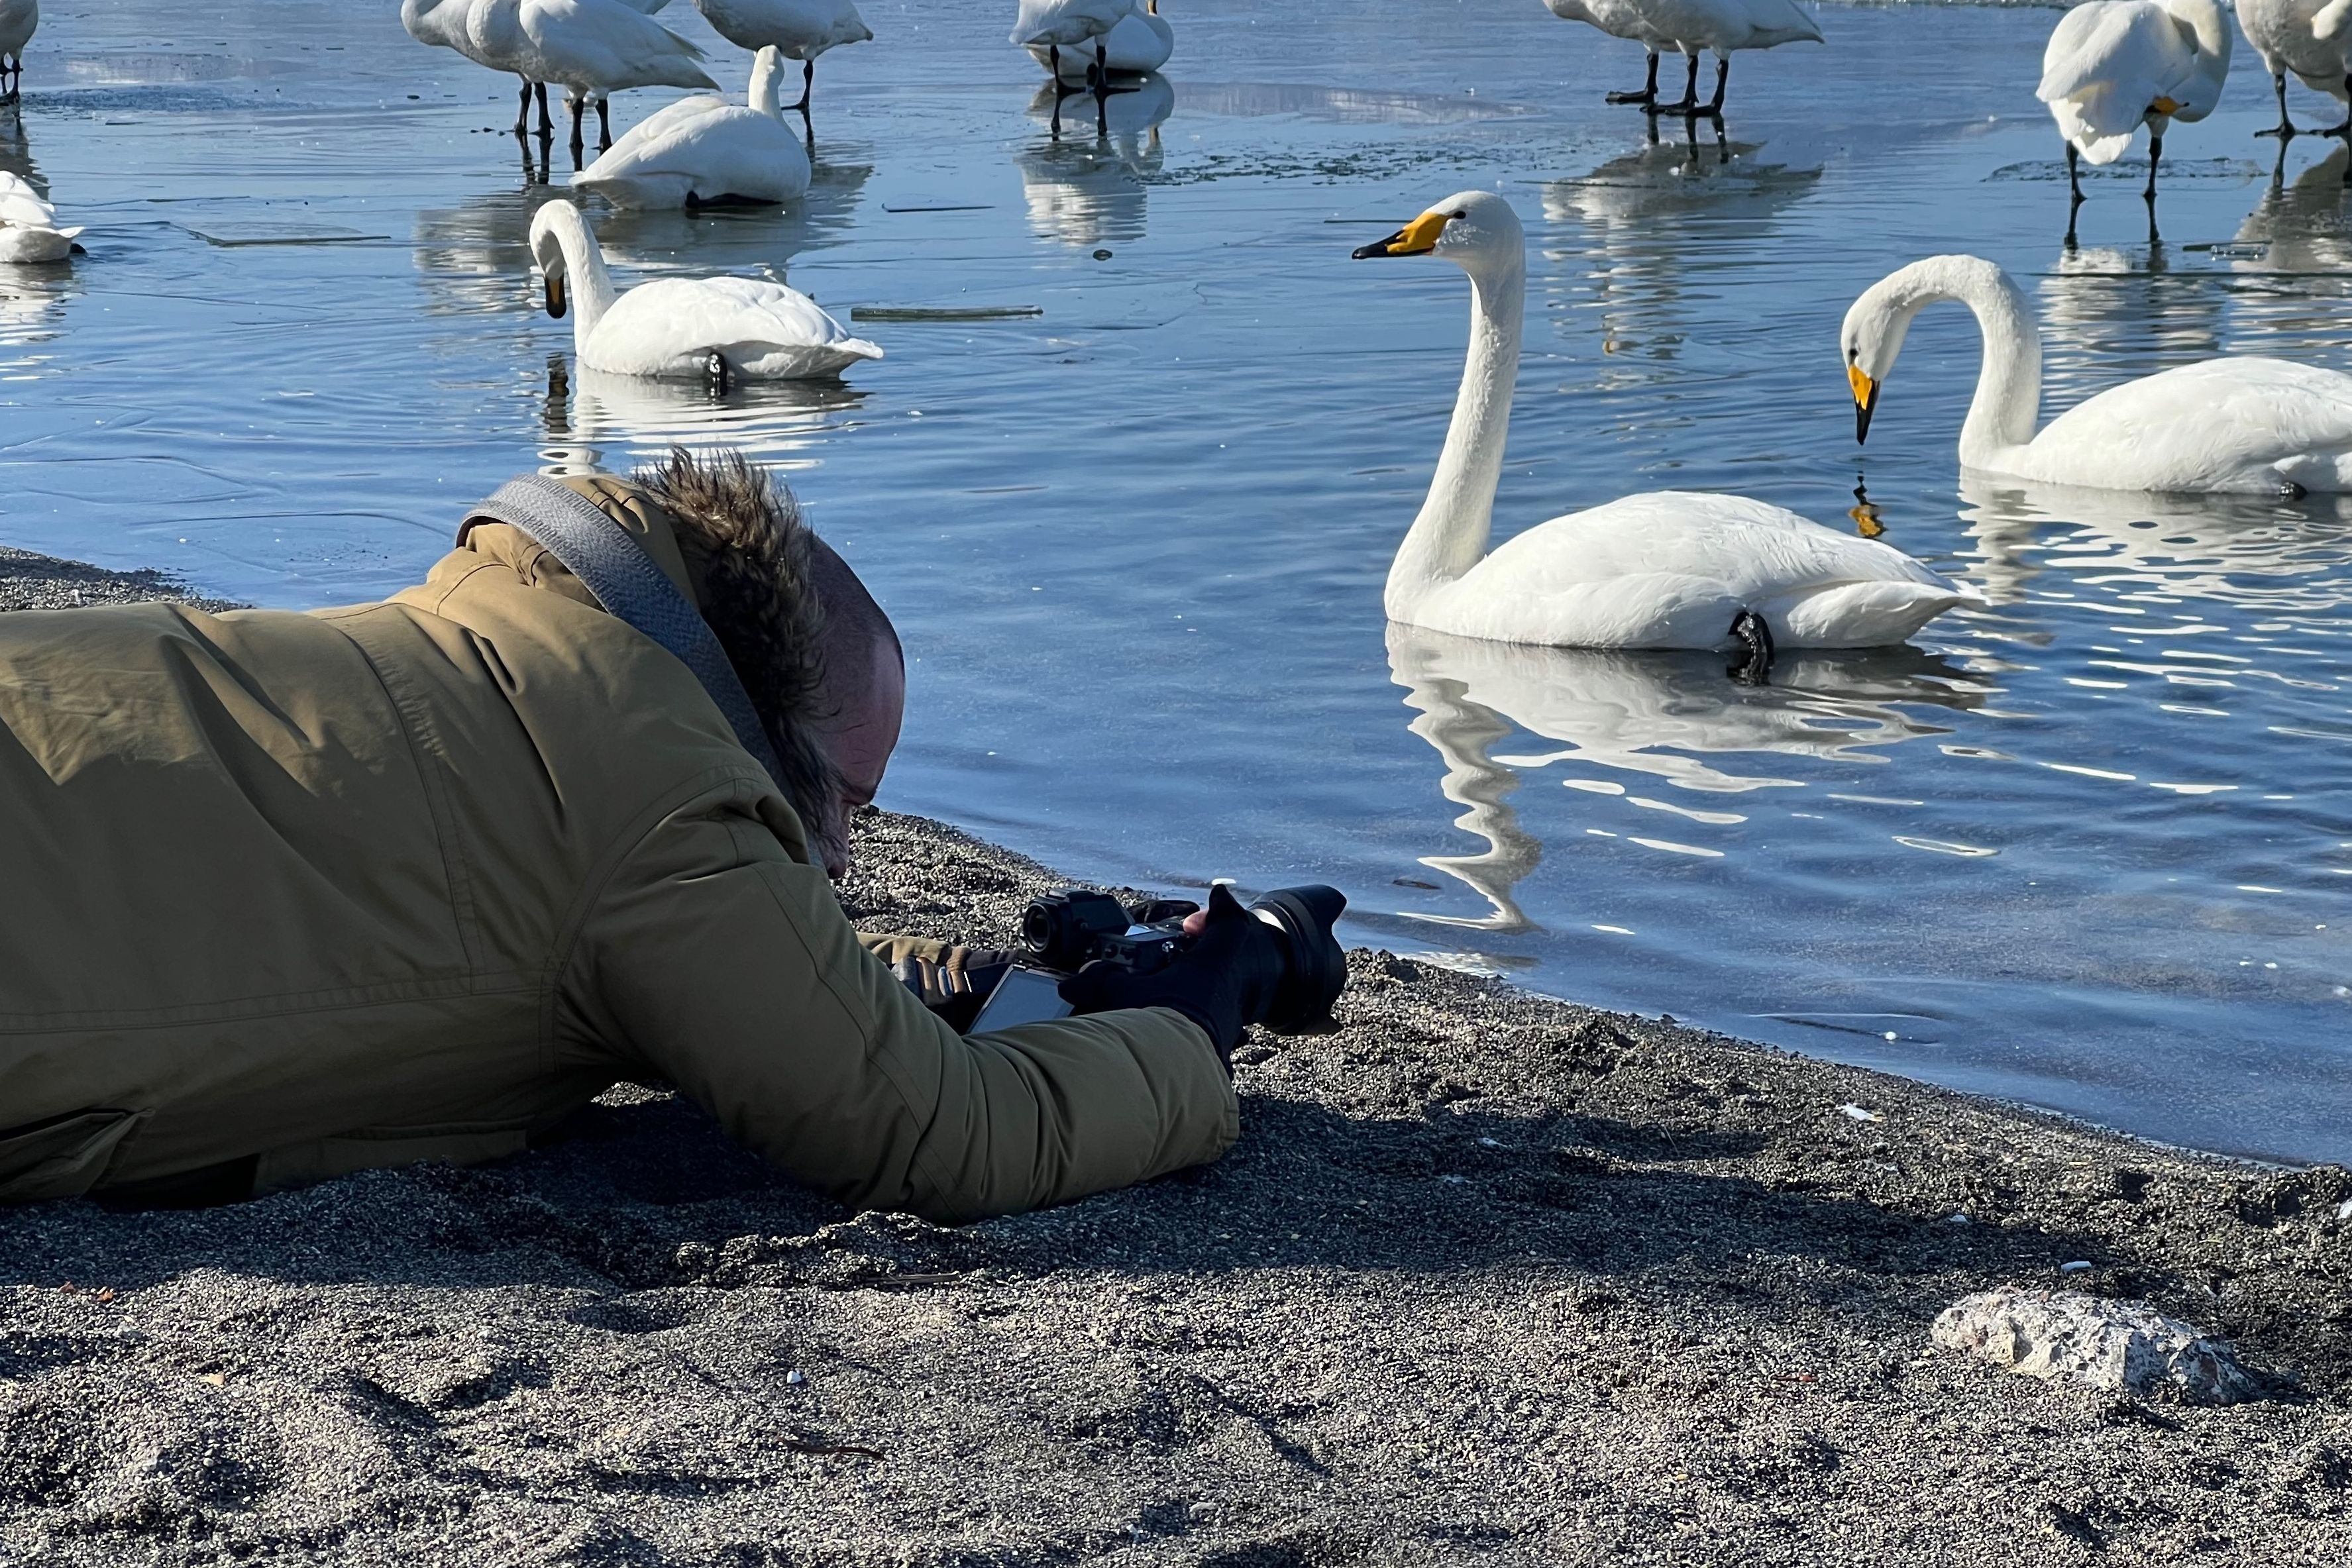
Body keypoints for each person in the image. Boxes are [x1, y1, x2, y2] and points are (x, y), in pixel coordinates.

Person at [0, 449, 1320, 1220]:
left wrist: (945, 975)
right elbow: (942, 1131)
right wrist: (1194, 1017)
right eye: (844, 805)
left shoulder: (503, 648)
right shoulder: (652, 798)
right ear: (754, 721)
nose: (849, 864)